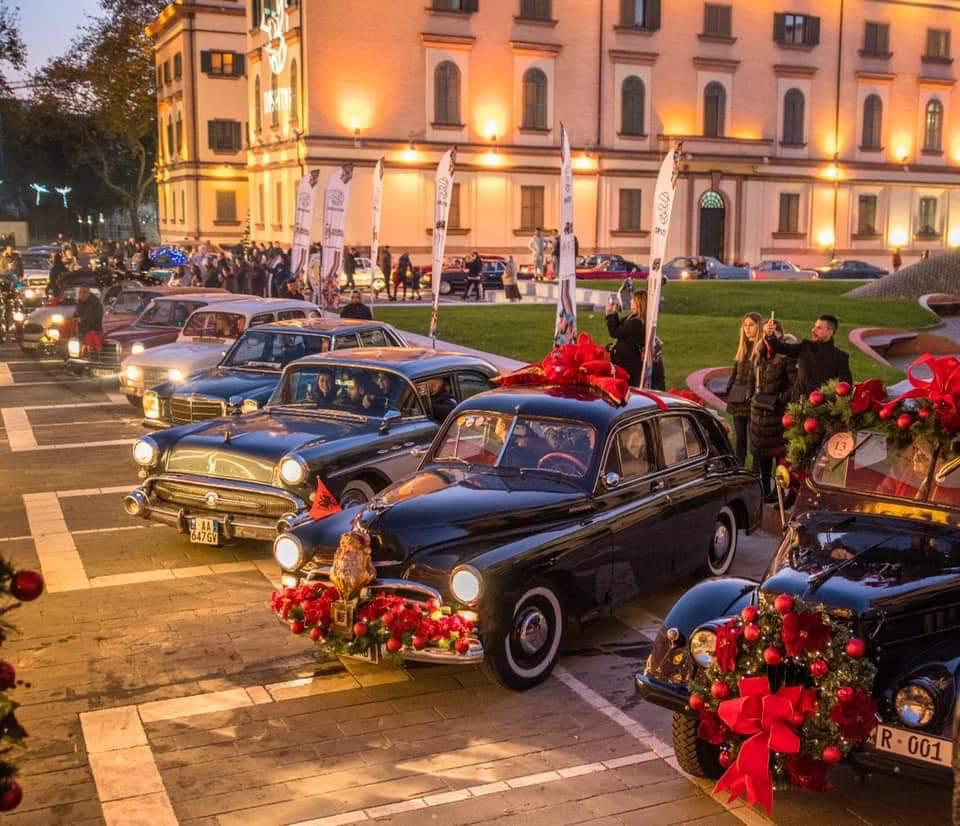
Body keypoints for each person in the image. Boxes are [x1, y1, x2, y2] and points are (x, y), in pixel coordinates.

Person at [750, 320, 797, 501]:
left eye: (774, 331)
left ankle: (779, 490)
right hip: (758, 411)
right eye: (767, 331)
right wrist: (751, 395)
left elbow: (793, 383)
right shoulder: (759, 353)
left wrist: (780, 399)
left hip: (776, 411)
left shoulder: (786, 355)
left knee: (779, 453)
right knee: (762, 453)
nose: (770, 334)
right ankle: (764, 487)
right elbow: (752, 378)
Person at [763, 314, 853, 400]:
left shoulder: (840, 357)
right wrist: (770, 335)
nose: (813, 330)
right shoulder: (805, 347)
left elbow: (846, 387)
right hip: (797, 406)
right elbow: (780, 347)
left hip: (821, 410)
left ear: (830, 332)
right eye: (815, 327)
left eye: (819, 328)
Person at [725, 313, 762, 466]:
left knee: (756, 441)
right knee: (740, 439)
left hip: (753, 401)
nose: (747, 328)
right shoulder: (742, 349)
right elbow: (735, 372)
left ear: (758, 326)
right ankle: (739, 467)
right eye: (745, 325)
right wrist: (729, 388)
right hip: (738, 400)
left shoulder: (761, 349)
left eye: (751, 325)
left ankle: (756, 471)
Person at [605, 292, 647, 386]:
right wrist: (614, 313)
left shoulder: (636, 322)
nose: (630, 301)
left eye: (633, 299)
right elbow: (619, 326)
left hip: (628, 363)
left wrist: (609, 315)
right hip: (624, 360)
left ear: (638, 302)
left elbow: (615, 332)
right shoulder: (632, 317)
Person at [76, 285, 104, 354]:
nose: (81, 295)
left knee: (92, 347)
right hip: (83, 330)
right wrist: (73, 318)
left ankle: (94, 356)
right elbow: (77, 313)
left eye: (83, 293)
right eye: (80, 293)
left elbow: (96, 317)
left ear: (88, 293)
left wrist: (82, 319)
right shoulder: (80, 302)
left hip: (93, 330)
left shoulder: (96, 303)